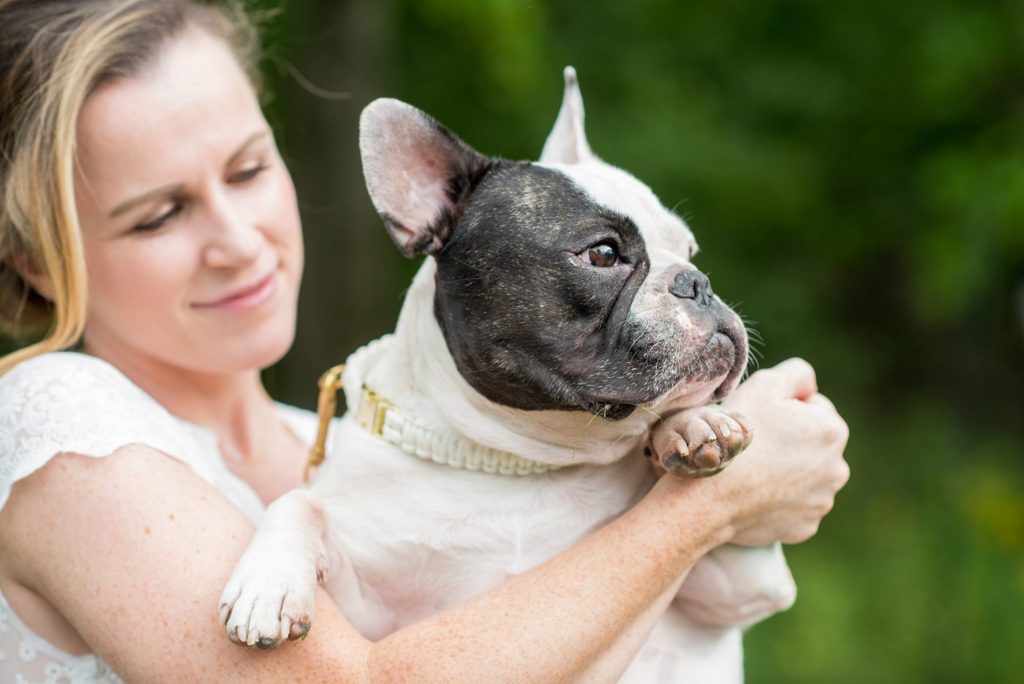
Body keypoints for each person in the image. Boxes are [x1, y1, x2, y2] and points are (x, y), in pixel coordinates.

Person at [0, 1, 850, 682]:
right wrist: (714, 501)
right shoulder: (58, 424)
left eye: (250, 169)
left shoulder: (353, 450)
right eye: (160, 214)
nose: (238, 239)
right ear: (37, 262)